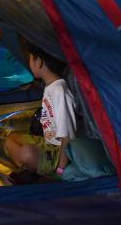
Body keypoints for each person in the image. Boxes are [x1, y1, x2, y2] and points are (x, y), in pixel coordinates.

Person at [4, 44, 76, 182]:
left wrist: (60, 170)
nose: (29, 63)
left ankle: (37, 172)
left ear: (39, 62)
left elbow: (67, 138)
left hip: (58, 151)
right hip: (48, 143)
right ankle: (29, 170)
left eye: (30, 58)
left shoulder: (59, 92)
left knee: (27, 153)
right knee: (11, 138)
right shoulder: (50, 87)